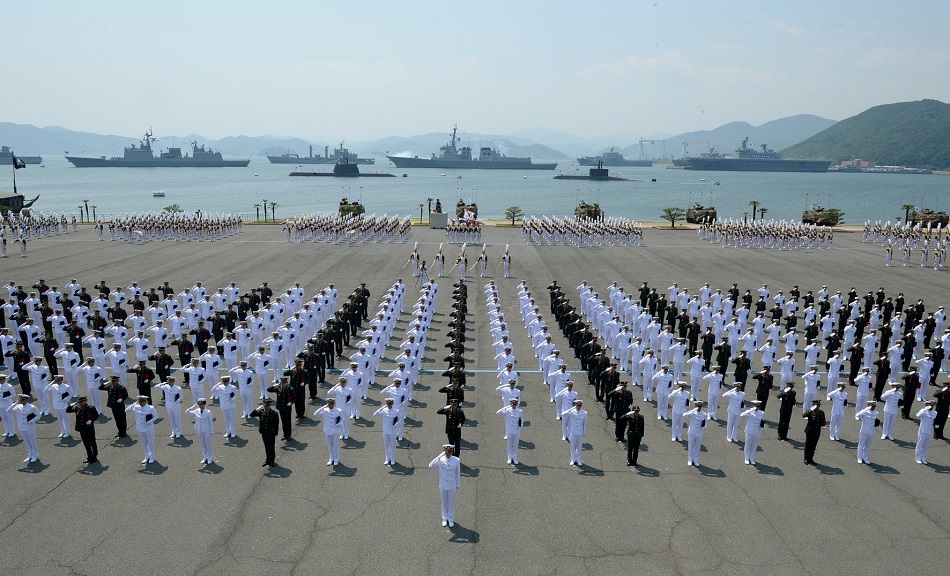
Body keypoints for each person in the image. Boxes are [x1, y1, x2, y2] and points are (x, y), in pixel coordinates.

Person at [428, 444, 462, 527]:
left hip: (452, 485)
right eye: (446, 452)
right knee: (444, 502)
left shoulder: (456, 460)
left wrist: (458, 484)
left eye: (449, 452)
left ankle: (450, 519)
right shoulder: (440, 459)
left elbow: (458, 473)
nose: (448, 454)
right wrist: (439, 455)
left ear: (452, 452)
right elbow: (430, 466)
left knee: (451, 502)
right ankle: (444, 518)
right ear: (444, 452)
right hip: (443, 484)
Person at [7, 394, 40, 463]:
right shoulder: (18, 407)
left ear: (26, 400)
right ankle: (30, 454)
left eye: (23, 400)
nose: (21, 401)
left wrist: (31, 421)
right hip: (22, 428)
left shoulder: (32, 407)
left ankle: (35, 455)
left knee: (33, 442)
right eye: (20, 399)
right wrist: (15, 403)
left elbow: (38, 415)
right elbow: (8, 411)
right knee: (27, 442)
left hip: (30, 427)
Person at [66, 395, 99, 464]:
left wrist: (91, 420)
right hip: (82, 428)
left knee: (92, 442)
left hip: (89, 428)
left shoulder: (90, 408)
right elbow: (68, 411)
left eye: (81, 402)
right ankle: (89, 456)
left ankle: (94, 456)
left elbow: (96, 415)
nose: (80, 403)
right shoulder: (77, 408)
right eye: (79, 402)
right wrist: (70, 405)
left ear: (85, 401)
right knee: (86, 443)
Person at [126, 395, 158, 464]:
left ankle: (152, 455)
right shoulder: (136, 407)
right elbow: (126, 410)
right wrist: (132, 405)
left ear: (146, 401)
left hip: (149, 428)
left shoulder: (151, 408)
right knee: (144, 443)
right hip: (140, 428)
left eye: (142, 401)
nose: (141, 403)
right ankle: (146, 455)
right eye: (139, 401)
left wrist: (150, 421)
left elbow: (155, 416)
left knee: (151, 442)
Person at [313, 397, 344, 466]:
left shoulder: (338, 410)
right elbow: (315, 414)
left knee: (335, 445)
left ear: (334, 404)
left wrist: (338, 424)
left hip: (336, 431)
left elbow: (342, 418)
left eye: (332, 403)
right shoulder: (325, 410)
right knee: (329, 445)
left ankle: (336, 459)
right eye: (330, 404)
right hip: (327, 430)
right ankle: (331, 458)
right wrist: (324, 406)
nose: (331, 405)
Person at [249, 398, 279, 467]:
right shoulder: (261, 412)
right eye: (265, 405)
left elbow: (276, 424)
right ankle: (267, 459)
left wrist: (276, 433)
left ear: (270, 405)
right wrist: (256, 410)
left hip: (271, 433)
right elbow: (251, 415)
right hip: (264, 432)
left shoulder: (274, 413)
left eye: (267, 405)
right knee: (266, 446)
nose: (266, 407)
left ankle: (272, 460)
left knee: (271, 447)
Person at [186, 398, 214, 465]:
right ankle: (205, 457)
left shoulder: (208, 412)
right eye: (199, 404)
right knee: (203, 444)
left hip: (206, 430)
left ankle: (209, 457)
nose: (200, 405)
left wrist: (212, 432)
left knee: (208, 445)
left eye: (201, 404)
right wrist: (190, 408)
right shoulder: (196, 410)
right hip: (199, 430)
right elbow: (187, 413)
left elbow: (211, 423)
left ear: (204, 404)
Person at [495, 397, 523, 465]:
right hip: (509, 431)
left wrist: (520, 428)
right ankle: (509, 458)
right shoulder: (507, 411)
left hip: (516, 431)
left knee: (515, 445)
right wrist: (505, 407)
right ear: (511, 404)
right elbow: (497, 413)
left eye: (515, 405)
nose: (514, 406)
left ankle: (515, 458)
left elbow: (522, 420)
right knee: (510, 445)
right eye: (513, 404)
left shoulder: (519, 411)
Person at [372, 397, 400, 465]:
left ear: (392, 404)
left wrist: (396, 424)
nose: (389, 405)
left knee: (393, 446)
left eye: (390, 404)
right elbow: (374, 414)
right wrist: (381, 408)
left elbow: (400, 419)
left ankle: (393, 459)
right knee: (386, 445)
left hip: (393, 431)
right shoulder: (384, 410)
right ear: (386, 404)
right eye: (388, 404)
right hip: (386, 431)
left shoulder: (396, 411)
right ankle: (387, 458)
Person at [560, 399, 588, 466]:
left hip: (580, 432)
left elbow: (585, 423)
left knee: (579, 446)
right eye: (577, 405)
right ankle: (573, 459)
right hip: (573, 432)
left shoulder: (584, 413)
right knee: (572, 446)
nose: (579, 407)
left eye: (580, 405)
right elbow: (562, 414)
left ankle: (578, 459)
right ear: (575, 405)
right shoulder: (571, 412)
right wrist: (570, 409)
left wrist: (584, 432)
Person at [739, 400, 765, 465]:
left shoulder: (761, 413)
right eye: (756, 406)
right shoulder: (749, 413)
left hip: (757, 432)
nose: (757, 408)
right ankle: (746, 458)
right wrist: (750, 410)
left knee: (754, 446)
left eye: (758, 406)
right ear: (753, 406)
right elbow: (741, 415)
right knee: (748, 445)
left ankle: (752, 458)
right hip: (749, 431)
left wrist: (763, 426)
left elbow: (762, 421)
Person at [855, 400, 880, 465]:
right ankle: (859, 458)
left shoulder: (876, 413)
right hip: (864, 431)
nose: (873, 408)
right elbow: (857, 415)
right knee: (861, 445)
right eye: (872, 407)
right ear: (869, 406)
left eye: (874, 407)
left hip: (871, 432)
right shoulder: (864, 413)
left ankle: (865, 457)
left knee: (868, 446)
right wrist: (866, 409)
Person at [802, 399, 826, 465]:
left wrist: (824, 425)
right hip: (810, 431)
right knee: (808, 445)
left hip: (816, 432)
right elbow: (803, 415)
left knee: (813, 446)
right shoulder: (810, 411)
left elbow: (823, 421)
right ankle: (806, 458)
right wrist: (810, 410)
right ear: (813, 405)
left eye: (818, 405)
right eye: (816, 405)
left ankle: (811, 458)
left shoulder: (821, 412)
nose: (817, 407)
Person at [684, 400, 708, 466]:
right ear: (696, 406)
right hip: (692, 432)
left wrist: (704, 426)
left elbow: (705, 423)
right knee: (691, 446)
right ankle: (690, 460)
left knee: (697, 447)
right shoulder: (692, 413)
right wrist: (692, 410)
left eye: (700, 407)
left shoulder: (704, 414)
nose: (699, 408)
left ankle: (695, 460)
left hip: (699, 433)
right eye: (698, 406)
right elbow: (684, 414)